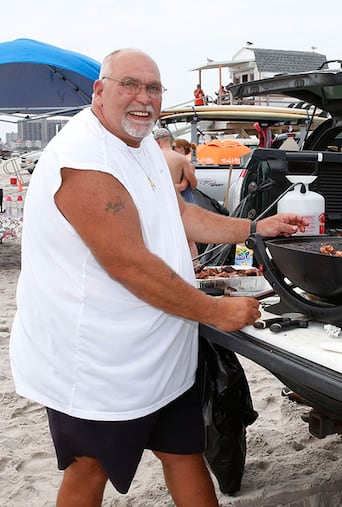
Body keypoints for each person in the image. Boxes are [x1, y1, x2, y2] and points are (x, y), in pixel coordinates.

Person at [9, 48, 308, 507]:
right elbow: (128, 265)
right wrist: (216, 311)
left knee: (184, 452)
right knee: (89, 467)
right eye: (130, 84)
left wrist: (253, 228)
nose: (143, 98)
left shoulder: (144, 143)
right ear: (100, 90)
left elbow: (181, 213)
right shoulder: (84, 159)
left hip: (161, 348)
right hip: (99, 361)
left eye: (153, 88)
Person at [154, 128, 200, 259]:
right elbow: (193, 184)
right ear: (169, 140)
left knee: (163, 238)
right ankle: (194, 267)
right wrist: (183, 183)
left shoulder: (152, 158)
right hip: (180, 202)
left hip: (159, 201)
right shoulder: (181, 159)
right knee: (189, 239)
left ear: (157, 142)